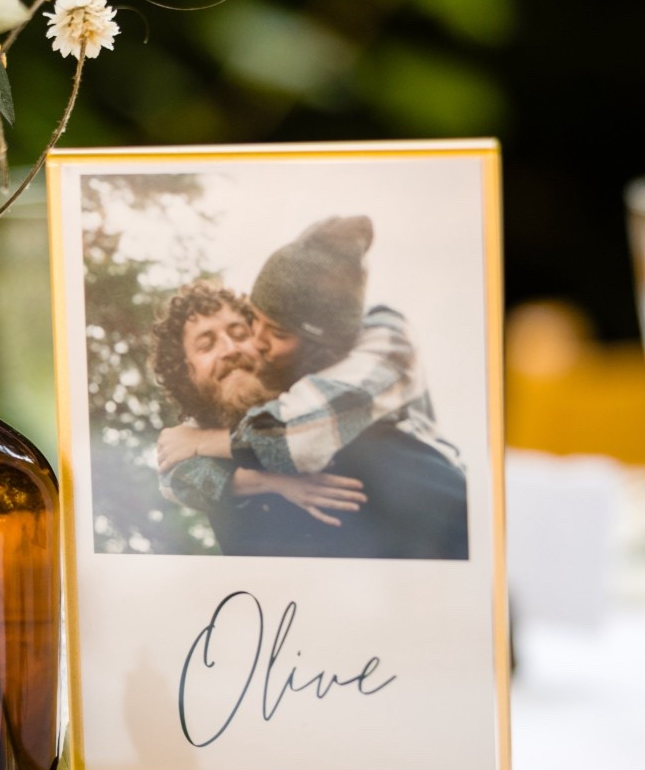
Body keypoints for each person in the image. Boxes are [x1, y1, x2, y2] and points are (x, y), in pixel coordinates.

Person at [149, 217, 469, 559]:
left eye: (240, 332)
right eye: (206, 345)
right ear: (183, 374)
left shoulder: (333, 374)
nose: (231, 349)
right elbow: (174, 476)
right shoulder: (197, 440)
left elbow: (294, 434)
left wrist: (201, 443)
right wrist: (271, 482)